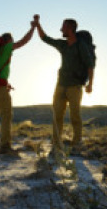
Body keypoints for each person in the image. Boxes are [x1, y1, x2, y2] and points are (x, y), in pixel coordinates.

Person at [34, 15, 95, 153]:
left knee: (75, 116)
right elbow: (45, 38)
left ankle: (77, 143)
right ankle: (56, 145)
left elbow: (90, 66)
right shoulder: (62, 45)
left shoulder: (81, 46)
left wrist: (90, 84)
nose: (61, 29)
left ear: (70, 29)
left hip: (75, 87)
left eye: (63, 26)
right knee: (57, 117)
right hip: (60, 85)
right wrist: (38, 25)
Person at [0, 21, 36, 155]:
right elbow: (23, 41)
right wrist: (32, 28)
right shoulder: (6, 47)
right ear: (8, 40)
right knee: (7, 116)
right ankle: (5, 146)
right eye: (11, 41)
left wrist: (6, 83)